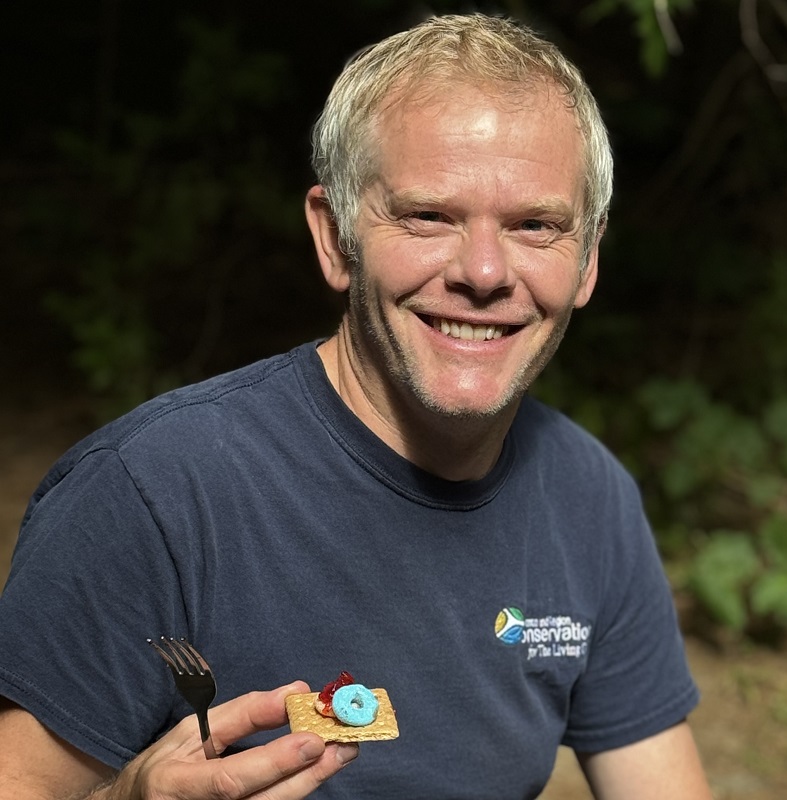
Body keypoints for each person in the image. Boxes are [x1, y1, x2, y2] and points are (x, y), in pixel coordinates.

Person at [0, 12, 713, 800]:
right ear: (335, 237)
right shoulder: (154, 492)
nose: (483, 271)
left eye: (535, 225)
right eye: (429, 216)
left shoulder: (590, 497)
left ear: (586, 263)